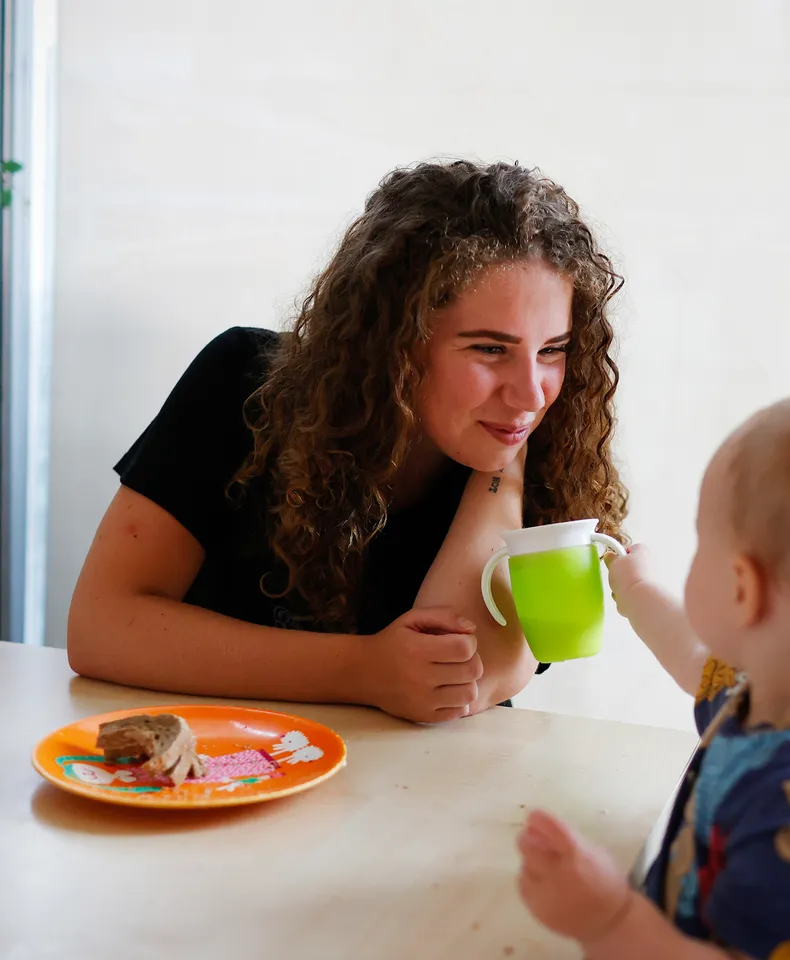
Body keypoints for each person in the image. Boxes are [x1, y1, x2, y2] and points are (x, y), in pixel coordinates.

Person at [67, 159, 628, 724]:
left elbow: (461, 678)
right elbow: (101, 628)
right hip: (215, 771)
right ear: (396, 343)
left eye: (552, 350)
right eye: (489, 349)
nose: (531, 393)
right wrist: (363, 669)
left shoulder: (547, 456)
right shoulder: (241, 383)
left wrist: (502, 470)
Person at [516, 393, 790, 959]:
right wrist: (637, 592)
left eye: (702, 539)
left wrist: (609, 920)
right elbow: (694, 659)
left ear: (741, 589)